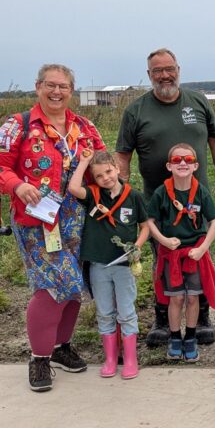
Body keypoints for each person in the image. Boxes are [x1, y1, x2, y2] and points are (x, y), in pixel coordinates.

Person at [0, 64, 106, 392]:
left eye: (63, 86)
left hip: (79, 218)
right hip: (38, 220)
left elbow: (103, 166)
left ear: (71, 91)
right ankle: (39, 359)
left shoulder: (85, 127)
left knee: (76, 285)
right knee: (56, 282)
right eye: (50, 85)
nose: (56, 92)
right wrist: (17, 186)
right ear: (38, 87)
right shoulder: (18, 125)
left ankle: (60, 347)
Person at [116, 48, 215, 346]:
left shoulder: (198, 102)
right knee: (163, 262)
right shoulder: (136, 111)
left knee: (199, 257)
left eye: (169, 68)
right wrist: (121, 193)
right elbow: (123, 156)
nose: (165, 75)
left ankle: (201, 317)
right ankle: (162, 319)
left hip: (197, 201)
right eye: (157, 71)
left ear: (179, 69)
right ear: (149, 75)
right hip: (159, 205)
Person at [67, 148, 149, 379]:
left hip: (123, 264)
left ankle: (131, 360)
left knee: (126, 311)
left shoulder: (134, 196)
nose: (106, 178)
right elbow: (73, 188)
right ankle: (111, 359)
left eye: (109, 172)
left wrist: (138, 246)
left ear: (117, 168)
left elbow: (145, 226)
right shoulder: (93, 194)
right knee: (104, 312)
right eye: (99, 176)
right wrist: (83, 162)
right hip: (98, 265)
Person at [146, 143, 215, 363]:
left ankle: (190, 337)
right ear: (169, 166)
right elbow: (149, 221)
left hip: (194, 254)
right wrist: (162, 240)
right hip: (172, 254)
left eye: (188, 160)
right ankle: (174, 337)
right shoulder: (162, 192)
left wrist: (202, 249)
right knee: (176, 298)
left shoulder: (200, 191)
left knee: (192, 298)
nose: (182, 163)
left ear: (195, 165)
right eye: (177, 160)